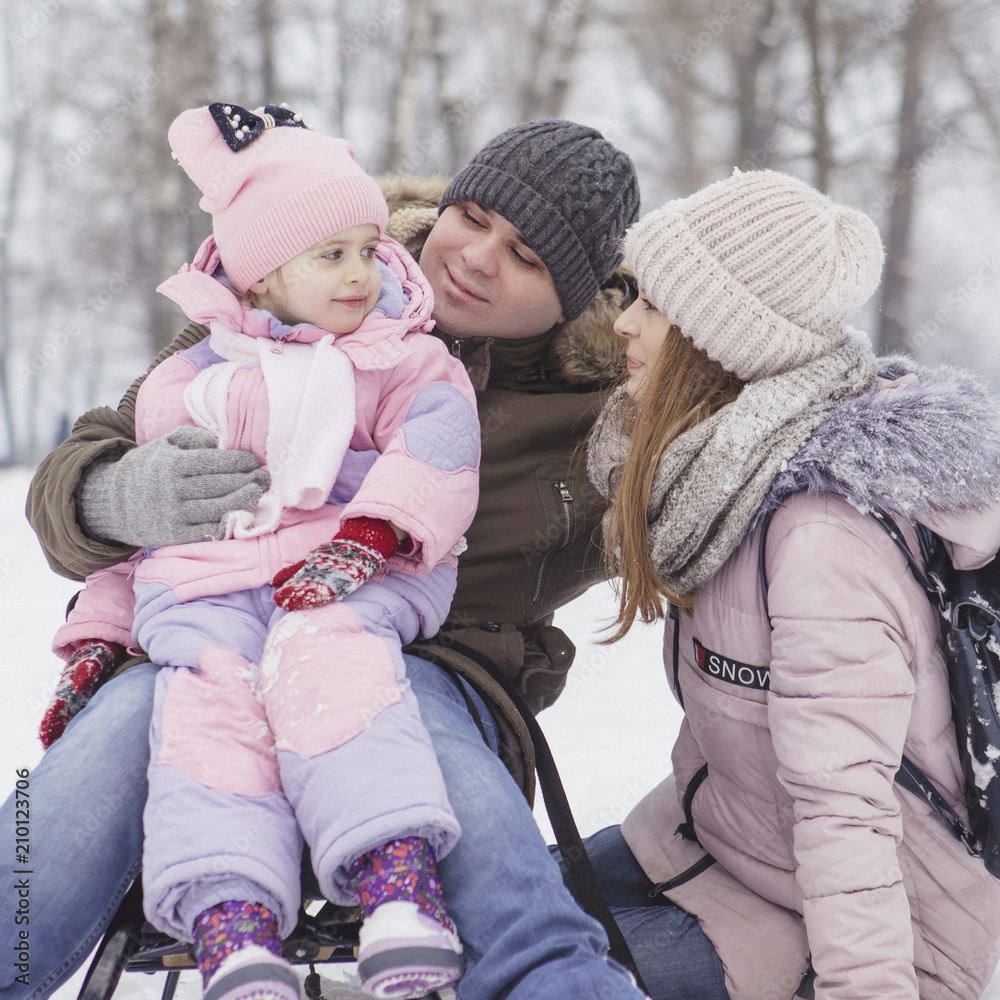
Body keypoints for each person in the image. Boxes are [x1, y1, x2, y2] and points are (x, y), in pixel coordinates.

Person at [5, 120, 668, 1000]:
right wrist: (112, 494)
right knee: (88, 778)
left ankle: (555, 978)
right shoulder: (296, 284)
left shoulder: (598, 417)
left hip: (431, 663)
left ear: (570, 299)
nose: (477, 258)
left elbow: (718, 494)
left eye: (526, 257)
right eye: (472, 217)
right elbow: (79, 468)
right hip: (210, 640)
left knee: (438, 763)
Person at [46, 102, 483, 1000]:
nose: (360, 273)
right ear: (261, 276)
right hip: (209, 597)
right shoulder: (187, 382)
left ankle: (398, 888)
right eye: (331, 256)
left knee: (334, 674)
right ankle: (232, 923)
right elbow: (149, 549)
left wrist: (374, 531)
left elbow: (440, 447)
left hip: (344, 576)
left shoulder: (397, 358)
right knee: (207, 717)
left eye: (368, 249)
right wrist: (99, 637)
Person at [584, 168, 1000, 1000]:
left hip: (865, 921)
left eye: (653, 306)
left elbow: (845, 808)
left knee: (519, 972)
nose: (624, 322)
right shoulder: (718, 476)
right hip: (713, 841)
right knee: (487, 909)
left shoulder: (818, 537)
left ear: (722, 343)